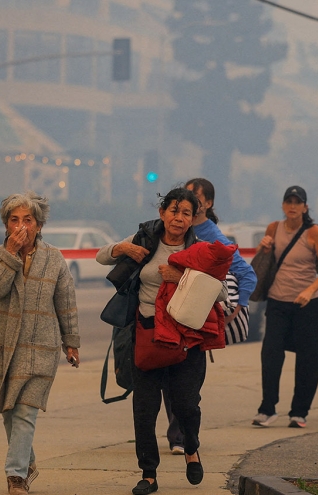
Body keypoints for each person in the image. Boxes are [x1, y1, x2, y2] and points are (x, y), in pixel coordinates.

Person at [96, 187, 228, 495]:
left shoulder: (202, 248)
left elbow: (221, 292)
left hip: (186, 339)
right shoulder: (144, 238)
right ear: (162, 213)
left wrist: (182, 277)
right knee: (144, 408)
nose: (179, 218)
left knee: (185, 405)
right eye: (173, 211)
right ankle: (149, 475)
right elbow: (101, 256)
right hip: (148, 334)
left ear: (194, 218)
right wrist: (123, 249)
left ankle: (192, 448)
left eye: (186, 213)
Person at [0, 191, 81, 495]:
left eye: (28, 220)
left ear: (39, 225)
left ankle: (15, 478)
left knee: (25, 411)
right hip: (4, 346)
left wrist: (71, 341)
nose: (21, 226)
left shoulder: (54, 258)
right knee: (9, 412)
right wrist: (11, 256)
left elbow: (65, 300)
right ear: (6, 225)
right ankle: (27, 462)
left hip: (40, 348)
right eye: (14, 220)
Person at [151, 177, 257, 455]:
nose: (186, 203)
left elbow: (246, 273)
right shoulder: (167, 231)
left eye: (193, 198)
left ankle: (182, 436)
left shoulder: (212, 237)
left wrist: (237, 306)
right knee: (168, 378)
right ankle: (178, 435)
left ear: (206, 204)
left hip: (194, 321)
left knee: (187, 382)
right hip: (166, 317)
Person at [251, 185, 318, 429]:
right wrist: (263, 248)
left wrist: (309, 290)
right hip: (278, 301)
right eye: (289, 201)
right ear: (283, 205)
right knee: (271, 354)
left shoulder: (314, 232)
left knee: (308, 358)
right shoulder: (273, 228)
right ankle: (267, 409)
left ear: (305, 207)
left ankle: (299, 412)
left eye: (298, 202)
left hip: (307, 304)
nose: (293, 206)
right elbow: (263, 262)